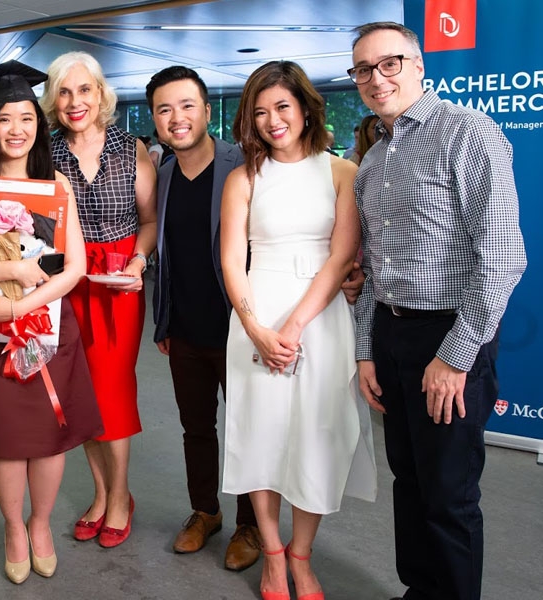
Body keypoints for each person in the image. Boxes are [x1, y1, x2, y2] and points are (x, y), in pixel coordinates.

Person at [349, 22, 526, 600]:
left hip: (451, 337)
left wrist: (454, 358)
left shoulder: (468, 133)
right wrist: (367, 351)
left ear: (419, 65)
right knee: (409, 481)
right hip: (391, 334)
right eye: (364, 70)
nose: (377, 79)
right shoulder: (373, 160)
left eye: (390, 63)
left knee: (449, 494)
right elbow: (374, 267)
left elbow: (502, 259)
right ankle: (420, 591)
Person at [220, 60, 377, 600]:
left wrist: (292, 325)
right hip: (255, 316)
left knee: (318, 436)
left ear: (307, 109)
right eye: (260, 111)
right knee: (259, 435)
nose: (273, 120)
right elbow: (231, 261)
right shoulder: (243, 178)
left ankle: (301, 556)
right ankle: (271, 555)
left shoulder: (341, 172)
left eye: (282, 106)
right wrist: (256, 328)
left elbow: (340, 258)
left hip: (321, 318)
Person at [0, 61, 103, 584]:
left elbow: (74, 267)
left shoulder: (55, 182)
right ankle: (14, 527)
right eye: (5, 118)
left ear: (39, 123)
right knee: (7, 434)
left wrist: (21, 308)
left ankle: (40, 524)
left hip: (46, 325)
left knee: (47, 433)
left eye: (27, 118)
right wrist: (12, 272)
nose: (16, 129)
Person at [144, 65, 262, 571]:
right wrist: (163, 321)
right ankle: (205, 511)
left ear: (207, 111)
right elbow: (166, 256)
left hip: (239, 328)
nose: (177, 117)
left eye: (187, 105)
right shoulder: (164, 175)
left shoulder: (244, 166)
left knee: (247, 428)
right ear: (154, 119)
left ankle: (250, 524)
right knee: (196, 428)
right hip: (186, 329)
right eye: (164, 109)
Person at [41, 51, 157, 548]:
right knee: (80, 392)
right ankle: (101, 492)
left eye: (84, 89)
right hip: (67, 282)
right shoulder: (45, 154)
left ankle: (121, 495)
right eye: (64, 92)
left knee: (113, 389)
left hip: (117, 284)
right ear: (53, 100)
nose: (75, 101)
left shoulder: (131, 149)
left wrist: (139, 261)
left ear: (101, 93)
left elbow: (149, 221)